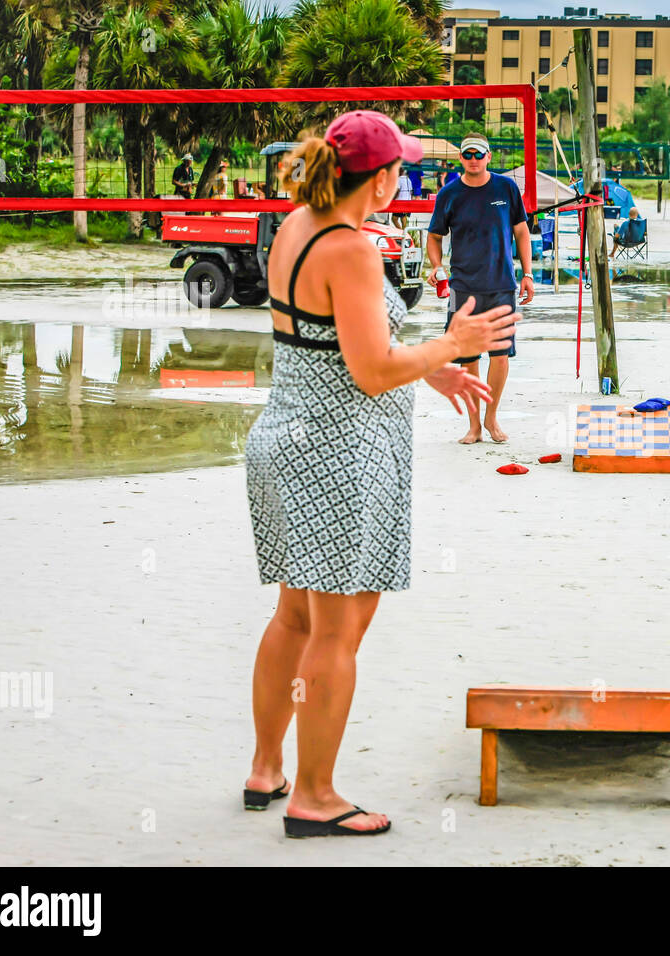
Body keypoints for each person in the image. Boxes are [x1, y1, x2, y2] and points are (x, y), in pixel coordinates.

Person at [243, 110, 518, 837]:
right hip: (338, 455)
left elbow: (330, 340)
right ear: (385, 176)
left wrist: (434, 371)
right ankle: (316, 795)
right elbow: (368, 371)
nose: (411, 179)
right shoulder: (352, 249)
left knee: (292, 617)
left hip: (287, 439)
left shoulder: (300, 225)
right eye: (405, 168)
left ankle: (267, 767)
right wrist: (452, 345)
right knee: (338, 630)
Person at [425, 133, 534, 445]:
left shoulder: (506, 188)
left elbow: (522, 232)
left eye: (479, 154)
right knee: (468, 358)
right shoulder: (449, 194)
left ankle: (491, 417)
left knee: (500, 356)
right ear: (461, 158)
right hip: (463, 287)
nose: (473, 159)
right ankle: (473, 425)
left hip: (501, 284)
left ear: (489, 157)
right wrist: (436, 266)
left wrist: (527, 273)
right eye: (467, 154)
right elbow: (434, 236)